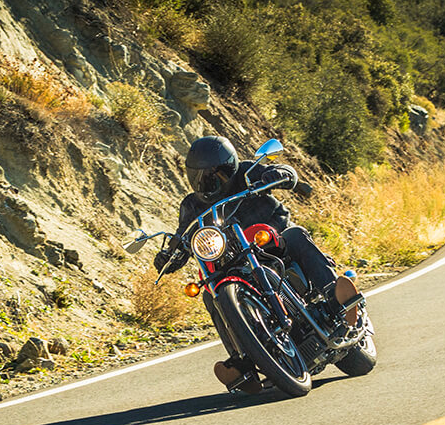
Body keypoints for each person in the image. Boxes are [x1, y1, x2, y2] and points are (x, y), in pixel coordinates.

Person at [154, 135, 360, 388]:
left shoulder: (247, 172)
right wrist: (169, 256)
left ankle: (335, 299)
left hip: (271, 241)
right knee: (210, 294)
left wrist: (279, 174)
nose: (205, 182)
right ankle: (242, 362)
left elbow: (284, 171)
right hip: (232, 261)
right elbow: (183, 236)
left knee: (295, 235)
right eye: (197, 176)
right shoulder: (191, 205)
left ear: (229, 167)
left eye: (214, 174)